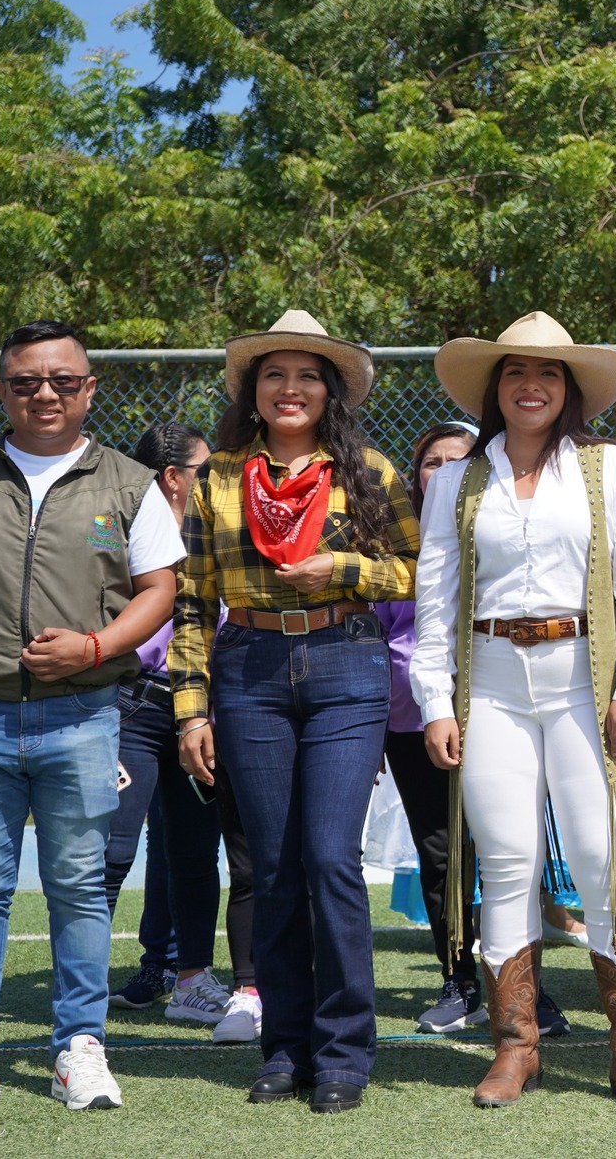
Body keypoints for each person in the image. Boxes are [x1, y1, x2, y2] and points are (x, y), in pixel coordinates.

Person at [0, 320, 183, 1118]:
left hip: (85, 717)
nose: (44, 393)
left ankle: (79, 1046)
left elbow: (160, 589)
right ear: (0, 390)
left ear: (90, 388)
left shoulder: (129, 482)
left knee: (79, 888)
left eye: (62, 380)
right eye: (25, 382)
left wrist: (95, 646)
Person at [414, 312, 616, 1111]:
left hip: (584, 681)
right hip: (490, 682)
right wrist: (435, 700)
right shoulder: (458, 480)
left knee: (603, 860)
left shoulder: (615, 469)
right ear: (495, 387)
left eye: (548, 373)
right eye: (516, 372)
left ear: (570, 390)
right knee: (505, 862)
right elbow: (435, 601)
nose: (531, 385)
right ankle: (515, 1045)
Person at [172, 310, 420, 1115]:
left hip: (346, 661)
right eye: (274, 374)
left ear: (330, 391)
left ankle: (345, 1049)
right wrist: (191, 711)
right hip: (247, 668)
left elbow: (419, 569)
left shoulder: (370, 471)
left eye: (307, 375)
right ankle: (284, 1046)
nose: (290, 388)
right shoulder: (217, 477)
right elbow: (189, 602)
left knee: (329, 857)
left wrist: (343, 568)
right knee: (272, 866)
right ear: (252, 389)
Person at [103, 422, 262, 1045]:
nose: (220, 476)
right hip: (135, 707)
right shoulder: (123, 534)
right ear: (173, 478)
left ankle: (191, 979)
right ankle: (78, 985)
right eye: (205, 468)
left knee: (195, 851)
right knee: (110, 850)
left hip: (202, 713)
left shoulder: (220, 530)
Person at [376, 421, 488, 1034]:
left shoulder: (503, 527)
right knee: (442, 851)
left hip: (500, 708)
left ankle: (523, 987)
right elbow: (379, 632)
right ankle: (459, 980)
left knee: (508, 851)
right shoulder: (393, 540)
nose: (444, 471)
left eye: (458, 459)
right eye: (431, 461)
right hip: (412, 718)